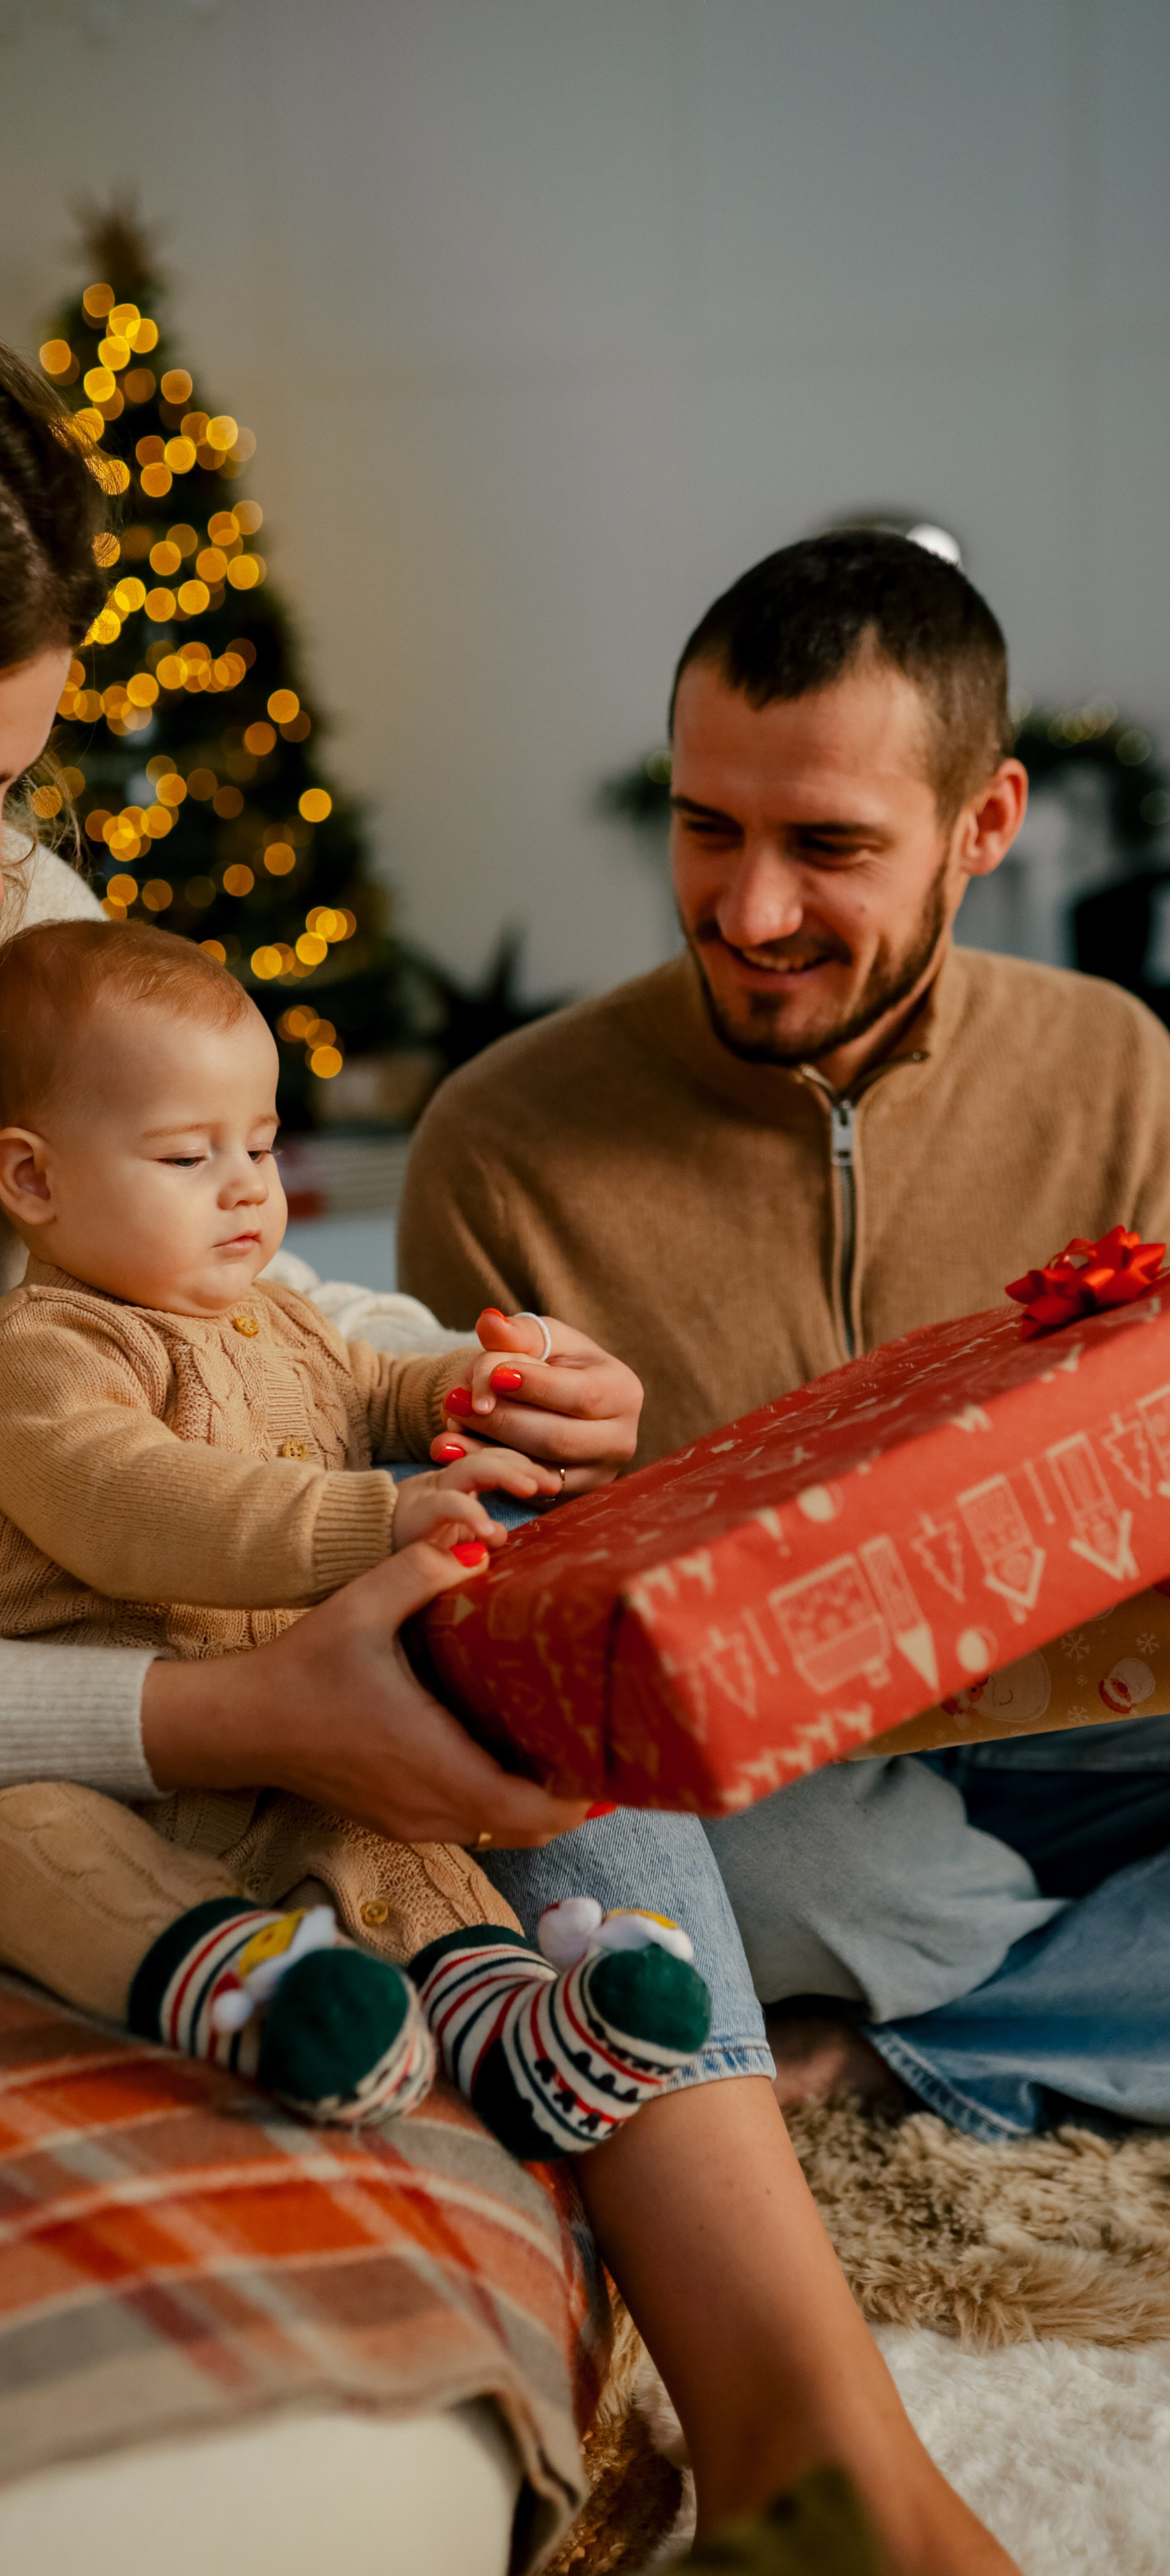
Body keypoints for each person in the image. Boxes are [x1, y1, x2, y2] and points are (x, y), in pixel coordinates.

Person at [0, 260, 1006, 2568]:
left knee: (511, 1608)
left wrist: (438, 1372)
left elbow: (203, 1252)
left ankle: (822, 2458)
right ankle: (120, 1863)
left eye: (15, 789)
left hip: (69, 1581)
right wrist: (213, 1719)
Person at [401, 527, 1170, 2152]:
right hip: (784, 1815)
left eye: (825, 844)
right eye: (704, 828)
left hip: (1104, 1724)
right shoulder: (503, 1139)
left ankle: (897, 2049)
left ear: (981, 826)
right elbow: (480, 1642)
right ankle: (1068, 2010)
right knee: (708, 1871)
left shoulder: (1113, 1063)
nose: (748, 909)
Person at [0, 916, 712, 2148]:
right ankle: (253, 1984)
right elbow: (134, 1500)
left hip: (274, 1749)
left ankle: (507, 2017)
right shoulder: (41, 1353)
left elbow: (368, 1386)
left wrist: (465, 1388)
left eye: (258, 1141)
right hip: (76, 1753)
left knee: (380, 1836)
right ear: (33, 1179)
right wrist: (378, 1515)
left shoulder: (272, 1316)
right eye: (189, 1154)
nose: (251, 1184)